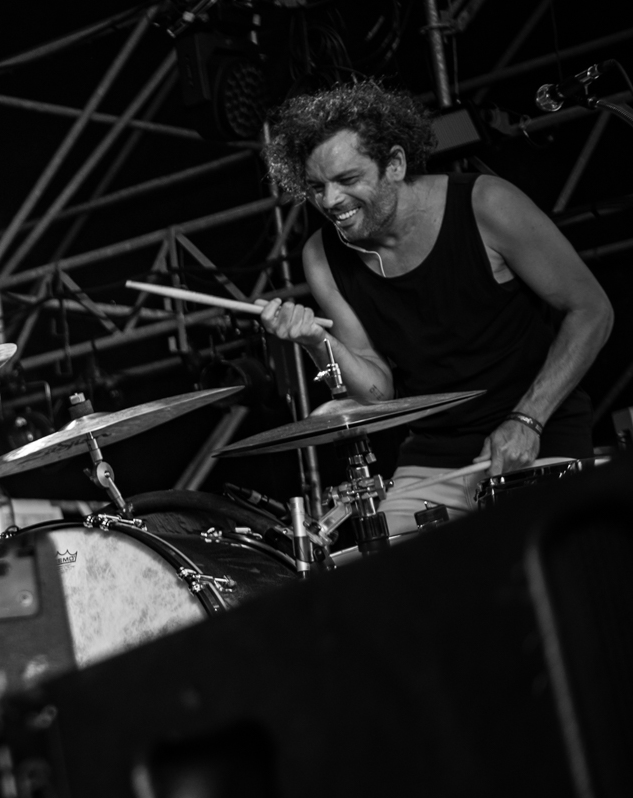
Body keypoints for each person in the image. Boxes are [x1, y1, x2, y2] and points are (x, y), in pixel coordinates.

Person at [255, 79, 613, 533]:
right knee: (388, 585)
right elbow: (376, 393)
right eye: (316, 187)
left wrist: (529, 420)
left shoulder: (486, 204)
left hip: (538, 432)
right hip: (434, 456)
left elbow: (592, 311)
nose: (330, 201)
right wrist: (314, 341)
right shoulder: (322, 255)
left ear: (396, 164)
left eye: (347, 180)